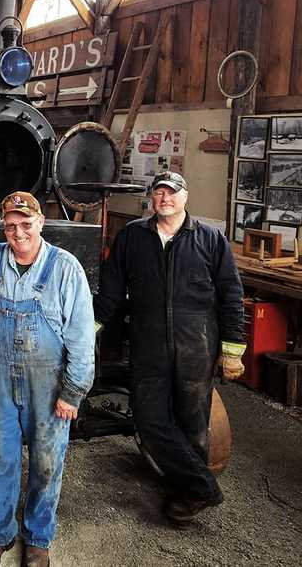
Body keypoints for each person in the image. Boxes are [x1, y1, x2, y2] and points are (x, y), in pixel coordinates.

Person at [94, 171, 245, 528]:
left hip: (197, 343)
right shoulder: (132, 236)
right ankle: (203, 486)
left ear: (185, 197)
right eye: (159, 192)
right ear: (152, 199)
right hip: (148, 343)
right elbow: (111, 293)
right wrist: (88, 331)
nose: (165, 198)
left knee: (194, 421)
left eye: (172, 192)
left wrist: (233, 348)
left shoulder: (210, 238)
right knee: (148, 420)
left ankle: (187, 492)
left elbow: (231, 294)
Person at [0, 192, 95, 567]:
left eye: (26, 224)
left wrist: (73, 392)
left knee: (47, 462)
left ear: (41, 223)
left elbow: (82, 336)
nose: (18, 231)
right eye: (11, 225)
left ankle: (38, 537)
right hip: (1, 384)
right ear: (3, 227)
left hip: (50, 384)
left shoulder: (65, 268)